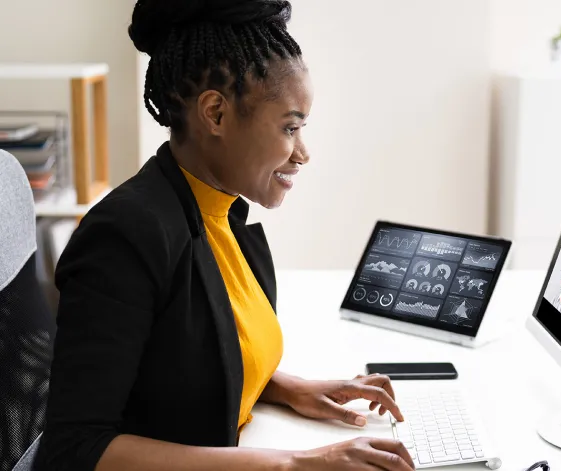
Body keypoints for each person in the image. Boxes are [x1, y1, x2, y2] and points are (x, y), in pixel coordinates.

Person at [35, 2, 415, 470]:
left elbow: (180, 363)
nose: (303, 153)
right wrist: (295, 463)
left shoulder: (219, 211)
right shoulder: (125, 237)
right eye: (290, 127)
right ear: (215, 113)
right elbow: (75, 449)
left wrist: (290, 387)